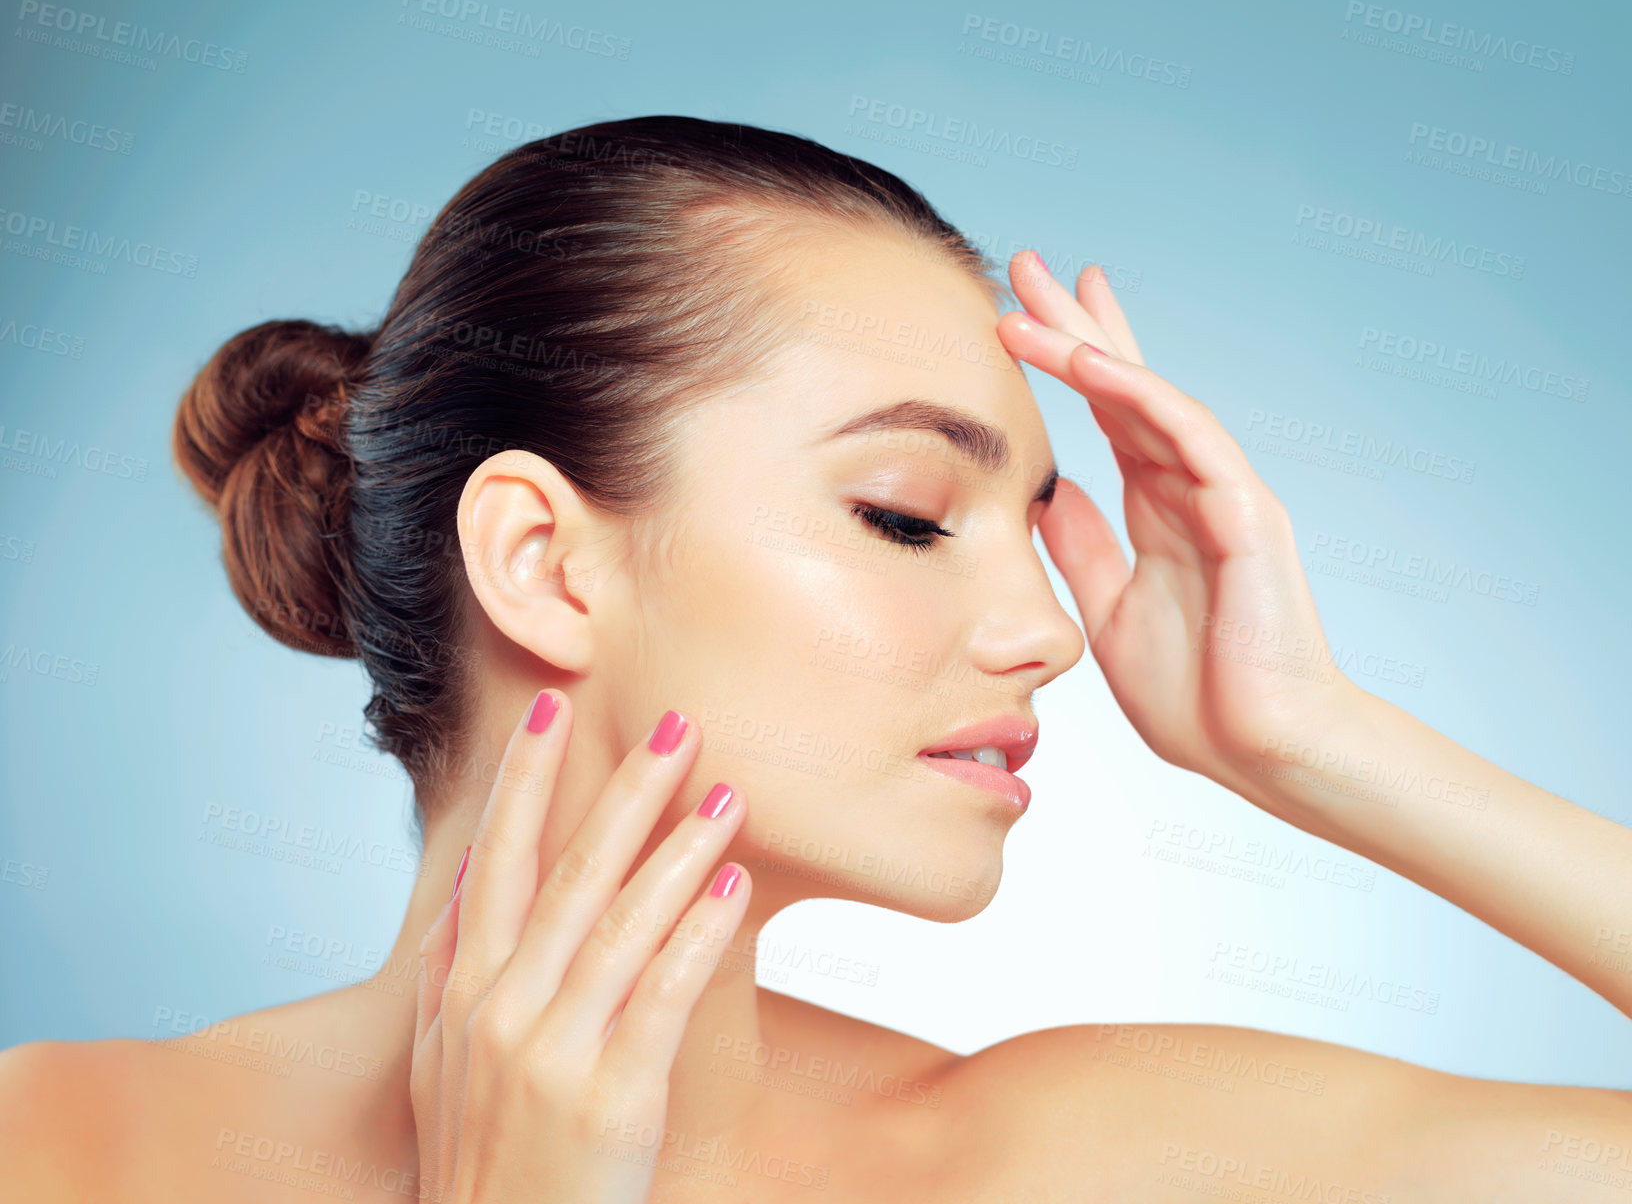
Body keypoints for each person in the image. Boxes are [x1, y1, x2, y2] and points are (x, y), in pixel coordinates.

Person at [2, 116, 1626, 1202]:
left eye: (1034, 525)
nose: (1049, 635)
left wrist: (1314, 742)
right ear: (544, 560)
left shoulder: (1062, 1161)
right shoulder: (55, 1147)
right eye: (908, 515)